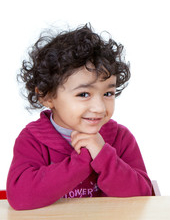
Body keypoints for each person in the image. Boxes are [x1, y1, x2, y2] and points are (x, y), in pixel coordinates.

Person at [7, 24, 152, 210]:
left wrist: (102, 155)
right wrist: (82, 160)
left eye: (108, 94)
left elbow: (143, 196)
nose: (99, 108)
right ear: (47, 96)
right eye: (84, 94)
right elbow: (20, 197)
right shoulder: (33, 140)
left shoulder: (120, 138)